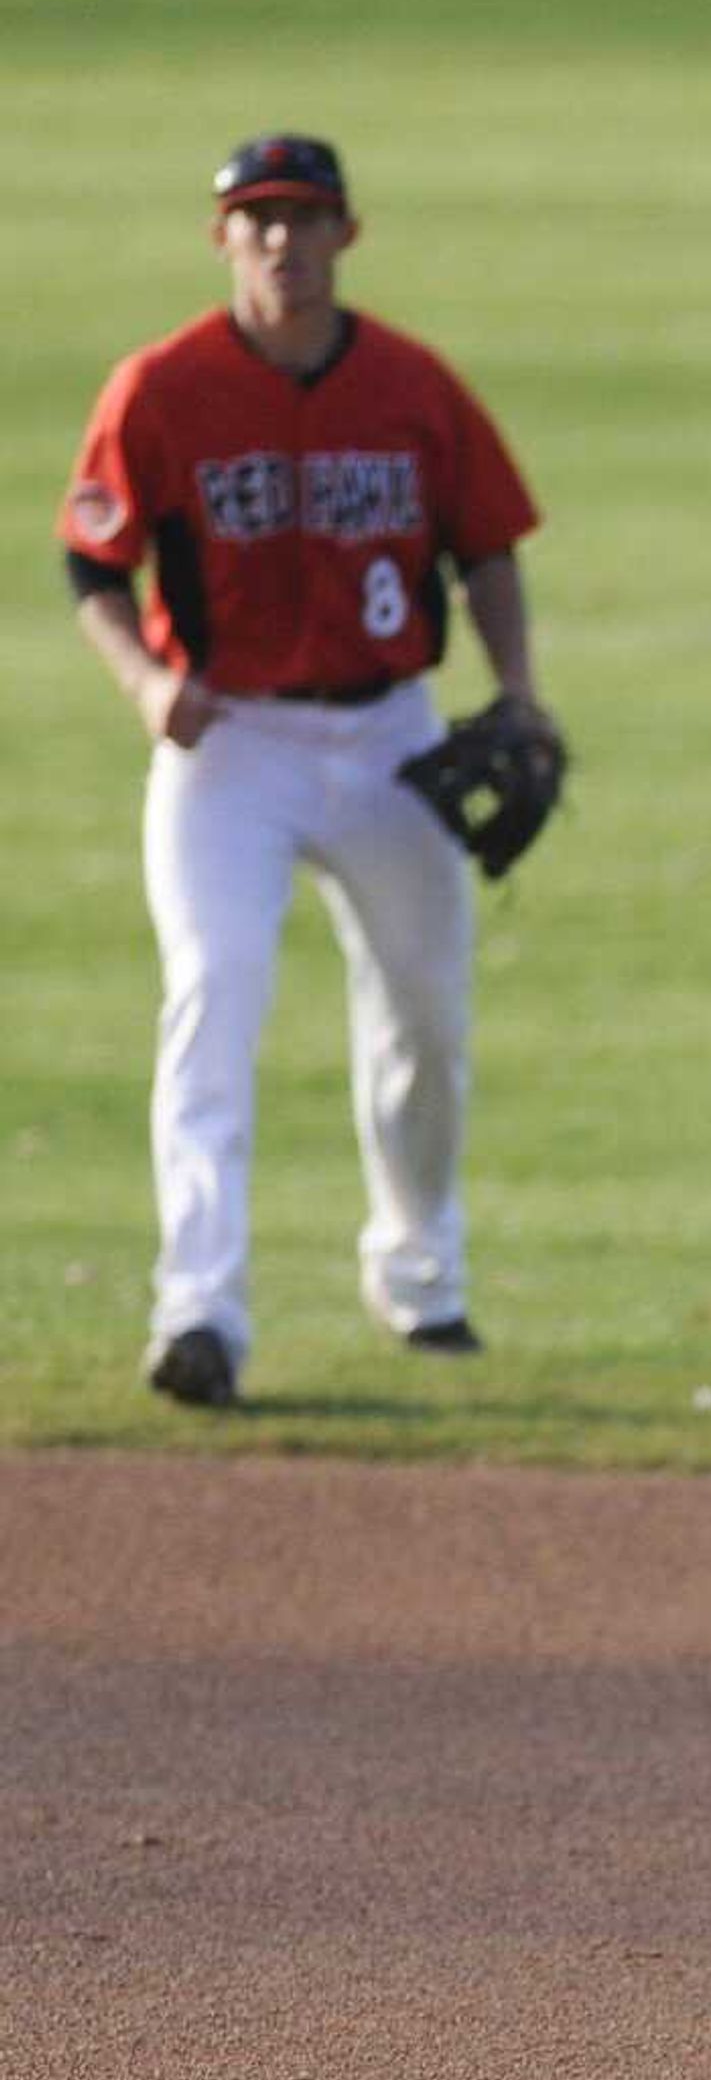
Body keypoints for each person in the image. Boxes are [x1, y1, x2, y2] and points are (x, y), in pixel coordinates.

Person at [57, 133, 557, 1408]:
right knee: (212, 1001)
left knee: (425, 1020)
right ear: (223, 237)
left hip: (391, 731)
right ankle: (199, 1313)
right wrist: (144, 682)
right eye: (258, 218)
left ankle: (420, 1279)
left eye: (305, 216)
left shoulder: (412, 385)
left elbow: (487, 548)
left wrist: (515, 692)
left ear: (346, 232)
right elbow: (92, 566)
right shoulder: (161, 388)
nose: (282, 239)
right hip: (229, 743)